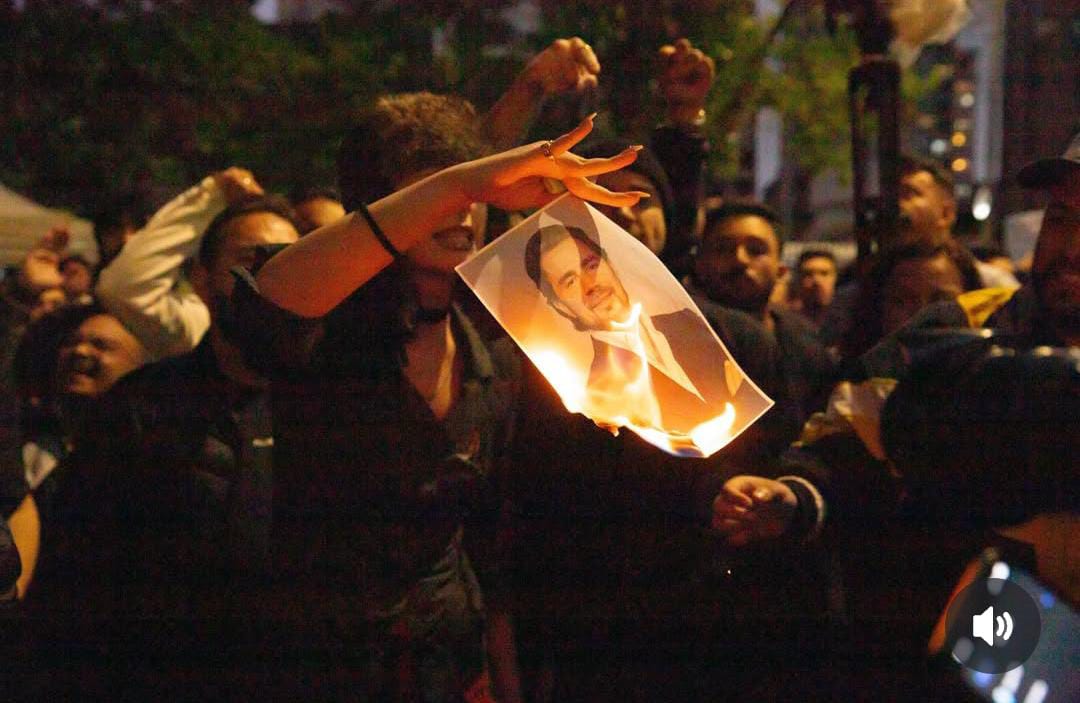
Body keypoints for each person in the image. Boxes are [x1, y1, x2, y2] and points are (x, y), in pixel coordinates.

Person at [523, 222, 763, 445]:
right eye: (570, 281)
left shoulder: (700, 323)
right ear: (559, 305)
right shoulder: (593, 399)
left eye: (591, 265)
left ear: (610, 264)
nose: (591, 284)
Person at [686, 201, 835, 465]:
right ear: (700, 263)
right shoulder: (679, 338)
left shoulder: (808, 346)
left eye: (755, 250)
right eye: (723, 249)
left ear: (781, 269)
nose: (740, 259)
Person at [95, 167, 263, 360]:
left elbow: (125, 288)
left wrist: (213, 197)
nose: (127, 240)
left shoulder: (196, 316)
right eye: (114, 228)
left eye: (143, 230)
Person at [791, 248, 838, 327]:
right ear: (798, 279)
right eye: (808, 274)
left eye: (824, 273)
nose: (817, 281)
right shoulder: (787, 324)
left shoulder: (849, 321)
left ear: (835, 278)